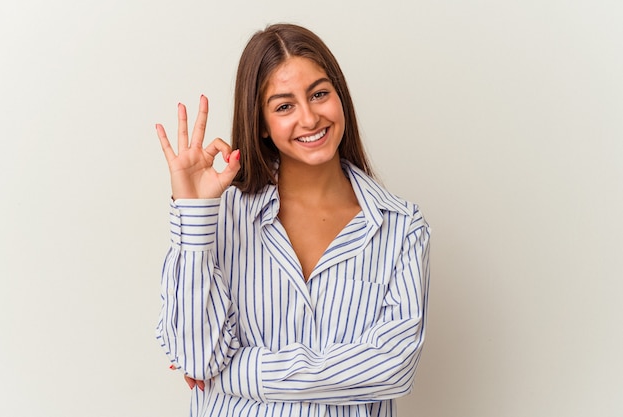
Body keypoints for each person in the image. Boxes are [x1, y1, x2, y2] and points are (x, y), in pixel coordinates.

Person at [155, 23, 431, 417]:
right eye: (284, 106)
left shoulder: (402, 228)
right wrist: (194, 212)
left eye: (319, 94)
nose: (309, 117)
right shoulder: (223, 217)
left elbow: (393, 368)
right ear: (262, 124)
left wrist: (238, 373)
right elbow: (197, 359)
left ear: (340, 98)